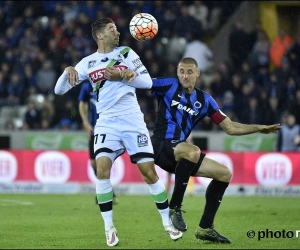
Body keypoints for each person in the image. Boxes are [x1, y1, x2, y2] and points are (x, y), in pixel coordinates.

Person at [54, 17, 182, 247]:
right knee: (102, 169)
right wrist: (68, 70)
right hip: (107, 123)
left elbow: (147, 83)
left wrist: (124, 75)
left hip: (133, 120)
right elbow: (59, 90)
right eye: (112, 29)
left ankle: (167, 223)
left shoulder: (127, 53)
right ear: (100, 35)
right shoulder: (87, 63)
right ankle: (109, 228)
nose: (118, 32)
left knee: (149, 173)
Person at [150, 57, 282, 243]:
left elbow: (230, 128)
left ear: (198, 73)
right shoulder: (169, 85)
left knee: (224, 174)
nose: (184, 76)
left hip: (181, 155)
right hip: (160, 145)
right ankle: (174, 208)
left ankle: (205, 228)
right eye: (181, 71)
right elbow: (141, 81)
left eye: (189, 72)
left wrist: (259, 128)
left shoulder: (205, 100)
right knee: (193, 151)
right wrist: (123, 73)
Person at [78, 81, 118, 205]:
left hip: (107, 129)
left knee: (103, 162)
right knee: (93, 163)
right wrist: (85, 123)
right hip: (93, 130)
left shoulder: (111, 83)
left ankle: (103, 193)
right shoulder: (87, 86)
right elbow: (82, 104)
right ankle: (108, 190)